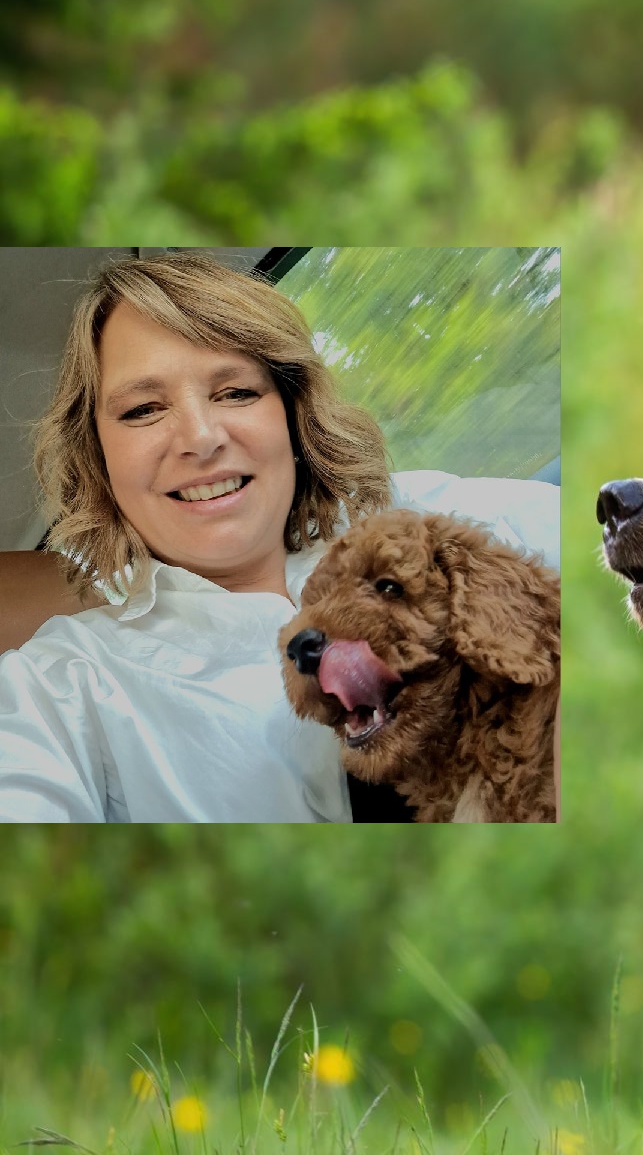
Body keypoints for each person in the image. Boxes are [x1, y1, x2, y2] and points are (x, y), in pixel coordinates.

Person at [0, 253, 557, 821]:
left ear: (292, 411)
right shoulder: (60, 689)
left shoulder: (428, 516)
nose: (200, 438)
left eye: (236, 392)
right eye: (144, 409)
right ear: (97, 454)